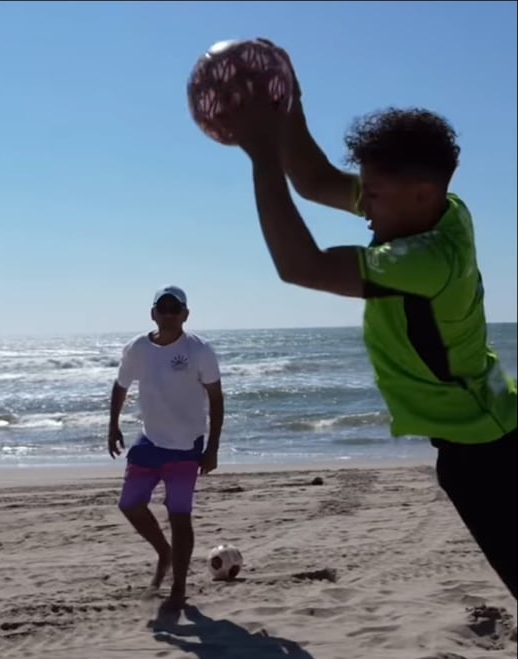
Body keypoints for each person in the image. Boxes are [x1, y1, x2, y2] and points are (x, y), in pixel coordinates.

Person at [223, 44, 517, 601]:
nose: (366, 206)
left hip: (484, 452)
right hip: (496, 420)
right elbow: (312, 181)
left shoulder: (426, 261)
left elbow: (299, 266)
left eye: (374, 195)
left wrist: (262, 157)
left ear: (420, 192)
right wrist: (290, 105)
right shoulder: (442, 209)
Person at [108, 286, 225, 613]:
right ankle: (164, 552)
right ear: (153, 313)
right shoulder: (138, 349)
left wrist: (213, 447)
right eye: (164, 307)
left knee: (179, 516)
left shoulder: (199, 350)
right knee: (129, 504)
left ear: (186, 314)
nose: (170, 313)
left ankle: (178, 588)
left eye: (176, 308)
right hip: (149, 441)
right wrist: (112, 425)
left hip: (187, 448)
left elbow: (216, 399)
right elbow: (121, 386)